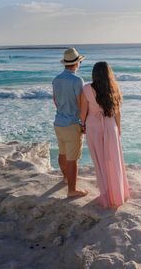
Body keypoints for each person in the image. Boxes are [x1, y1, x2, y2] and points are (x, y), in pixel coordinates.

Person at [80, 62, 130, 208]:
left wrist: (81, 125)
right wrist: (118, 129)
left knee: (100, 161)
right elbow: (117, 112)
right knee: (113, 160)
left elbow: (83, 112)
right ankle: (119, 192)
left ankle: (106, 194)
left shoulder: (87, 88)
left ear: (94, 74)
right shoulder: (114, 87)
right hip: (111, 125)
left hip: (93, 126)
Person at [52, 47, 88, 198]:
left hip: (58, 122)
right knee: (72, 160)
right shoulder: (77, 80)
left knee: (62, 153)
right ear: (77, 63)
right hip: (72, 123)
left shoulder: (56, 79)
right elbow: (81, 104)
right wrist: (84, 123)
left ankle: (66, 178)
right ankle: (72, 190)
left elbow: (55, 100)